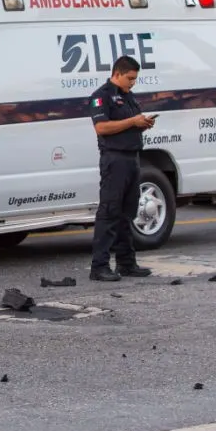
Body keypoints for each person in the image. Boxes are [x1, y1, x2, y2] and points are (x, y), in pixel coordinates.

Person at [89, 56, 156, 282]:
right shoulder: (102, 96)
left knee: (127, 213)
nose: (133, 83)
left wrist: (142, 124)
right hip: (114, 159)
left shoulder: (129, 97)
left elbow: (128, 126)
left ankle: (126, 263)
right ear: (117, 73)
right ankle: (99, 266)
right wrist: (132, 123)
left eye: (135, 79)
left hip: (132, 158)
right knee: (109, 212)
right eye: (130, 78)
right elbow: (102, 127)